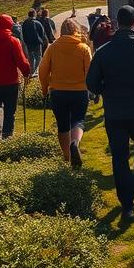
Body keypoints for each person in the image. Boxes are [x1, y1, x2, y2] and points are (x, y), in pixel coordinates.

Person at [86, 5, 134, 220]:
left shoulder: (103, 52)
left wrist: (106, 91)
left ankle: (128, 206)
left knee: (119, 158)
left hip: (114, 113)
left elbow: (91, 83)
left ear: (117, 23)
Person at [39, 18, 92, 166]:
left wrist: (44, 89)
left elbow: (43, 71)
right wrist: (91, 88)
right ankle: (75, 143)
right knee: (78, 120)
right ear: (77, 31)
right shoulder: (83, 48)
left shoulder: (52, 47)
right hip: (79, 91)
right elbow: (90, 71)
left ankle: (67, 156)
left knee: (62, 125)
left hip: (58, 91)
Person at [21, 10, 48, 76]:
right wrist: (42, 41)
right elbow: (42, 33)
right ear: (34, 14)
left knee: (31, 58)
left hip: (28, 43)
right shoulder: (37, 23)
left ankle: (31, 71)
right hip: (37, 43)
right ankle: (34, 71)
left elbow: (23, 33)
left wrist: (25, 41)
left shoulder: (25, 23)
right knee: (38, 56)